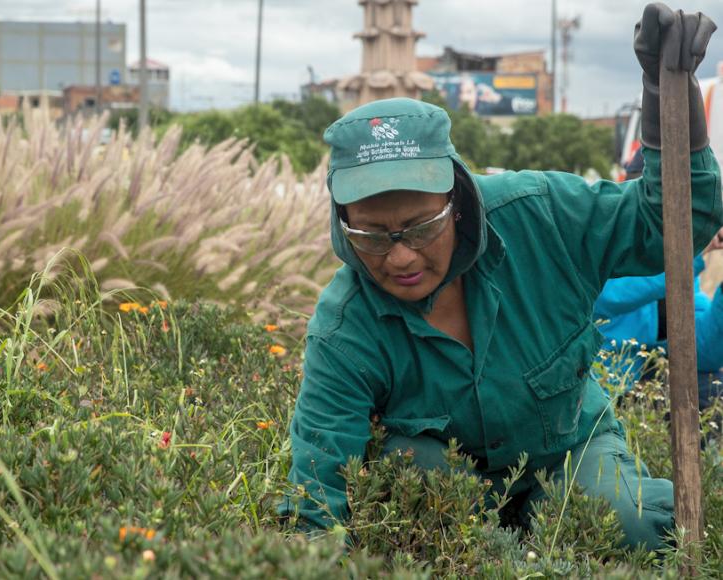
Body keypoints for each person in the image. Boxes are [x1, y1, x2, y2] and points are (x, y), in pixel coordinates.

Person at [281, 4, 721, 552]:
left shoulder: (542, 216)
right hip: (445, 484)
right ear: (342, 223)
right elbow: (317, 496)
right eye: (371, 236)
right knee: (454, 527)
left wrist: (668, 104)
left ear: (458, 201)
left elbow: (674, 226)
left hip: (565, 449)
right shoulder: (344, 328)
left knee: (630, 530)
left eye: (421, 227)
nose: (398, 258)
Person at [594, 217, 723, 408]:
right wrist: (689, 252)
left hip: (638, 383)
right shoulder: (599, 233)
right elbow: (608, 298)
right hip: (593, 387)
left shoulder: (680, 266)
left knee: (713, 389)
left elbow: (701, 355)